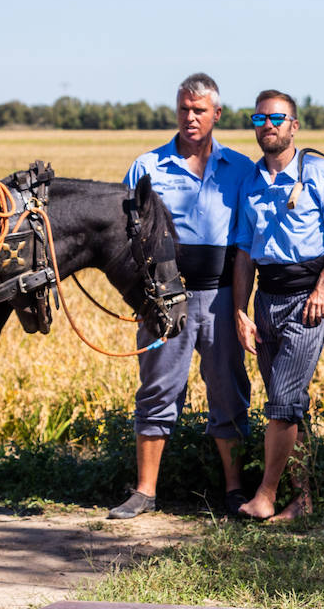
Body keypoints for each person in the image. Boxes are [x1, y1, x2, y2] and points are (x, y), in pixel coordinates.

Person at [108, 73, 253, 520]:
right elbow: (126, 239)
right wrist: (143, 299)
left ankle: (233, 490)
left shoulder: (241, 169)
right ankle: (145, 492)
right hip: (165, 300)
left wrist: (242, 307)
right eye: (183, 110)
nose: (190, 118)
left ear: (217, 115)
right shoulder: (146, 167)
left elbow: (247, 240)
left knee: (228, 391)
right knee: (157, 389)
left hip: (221, 297)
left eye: (199, 111)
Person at [233, 89, 324, 521]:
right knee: (285, 405)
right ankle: (303, 500)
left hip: (309, 299)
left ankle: (265, 495)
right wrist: (241, 311)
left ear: (294, 126)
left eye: (277, 118)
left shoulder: (323, 173)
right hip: (266, 299)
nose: (267, 126)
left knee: (284, 399)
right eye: (259, 119)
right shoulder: (249, 182)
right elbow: (244, 253)